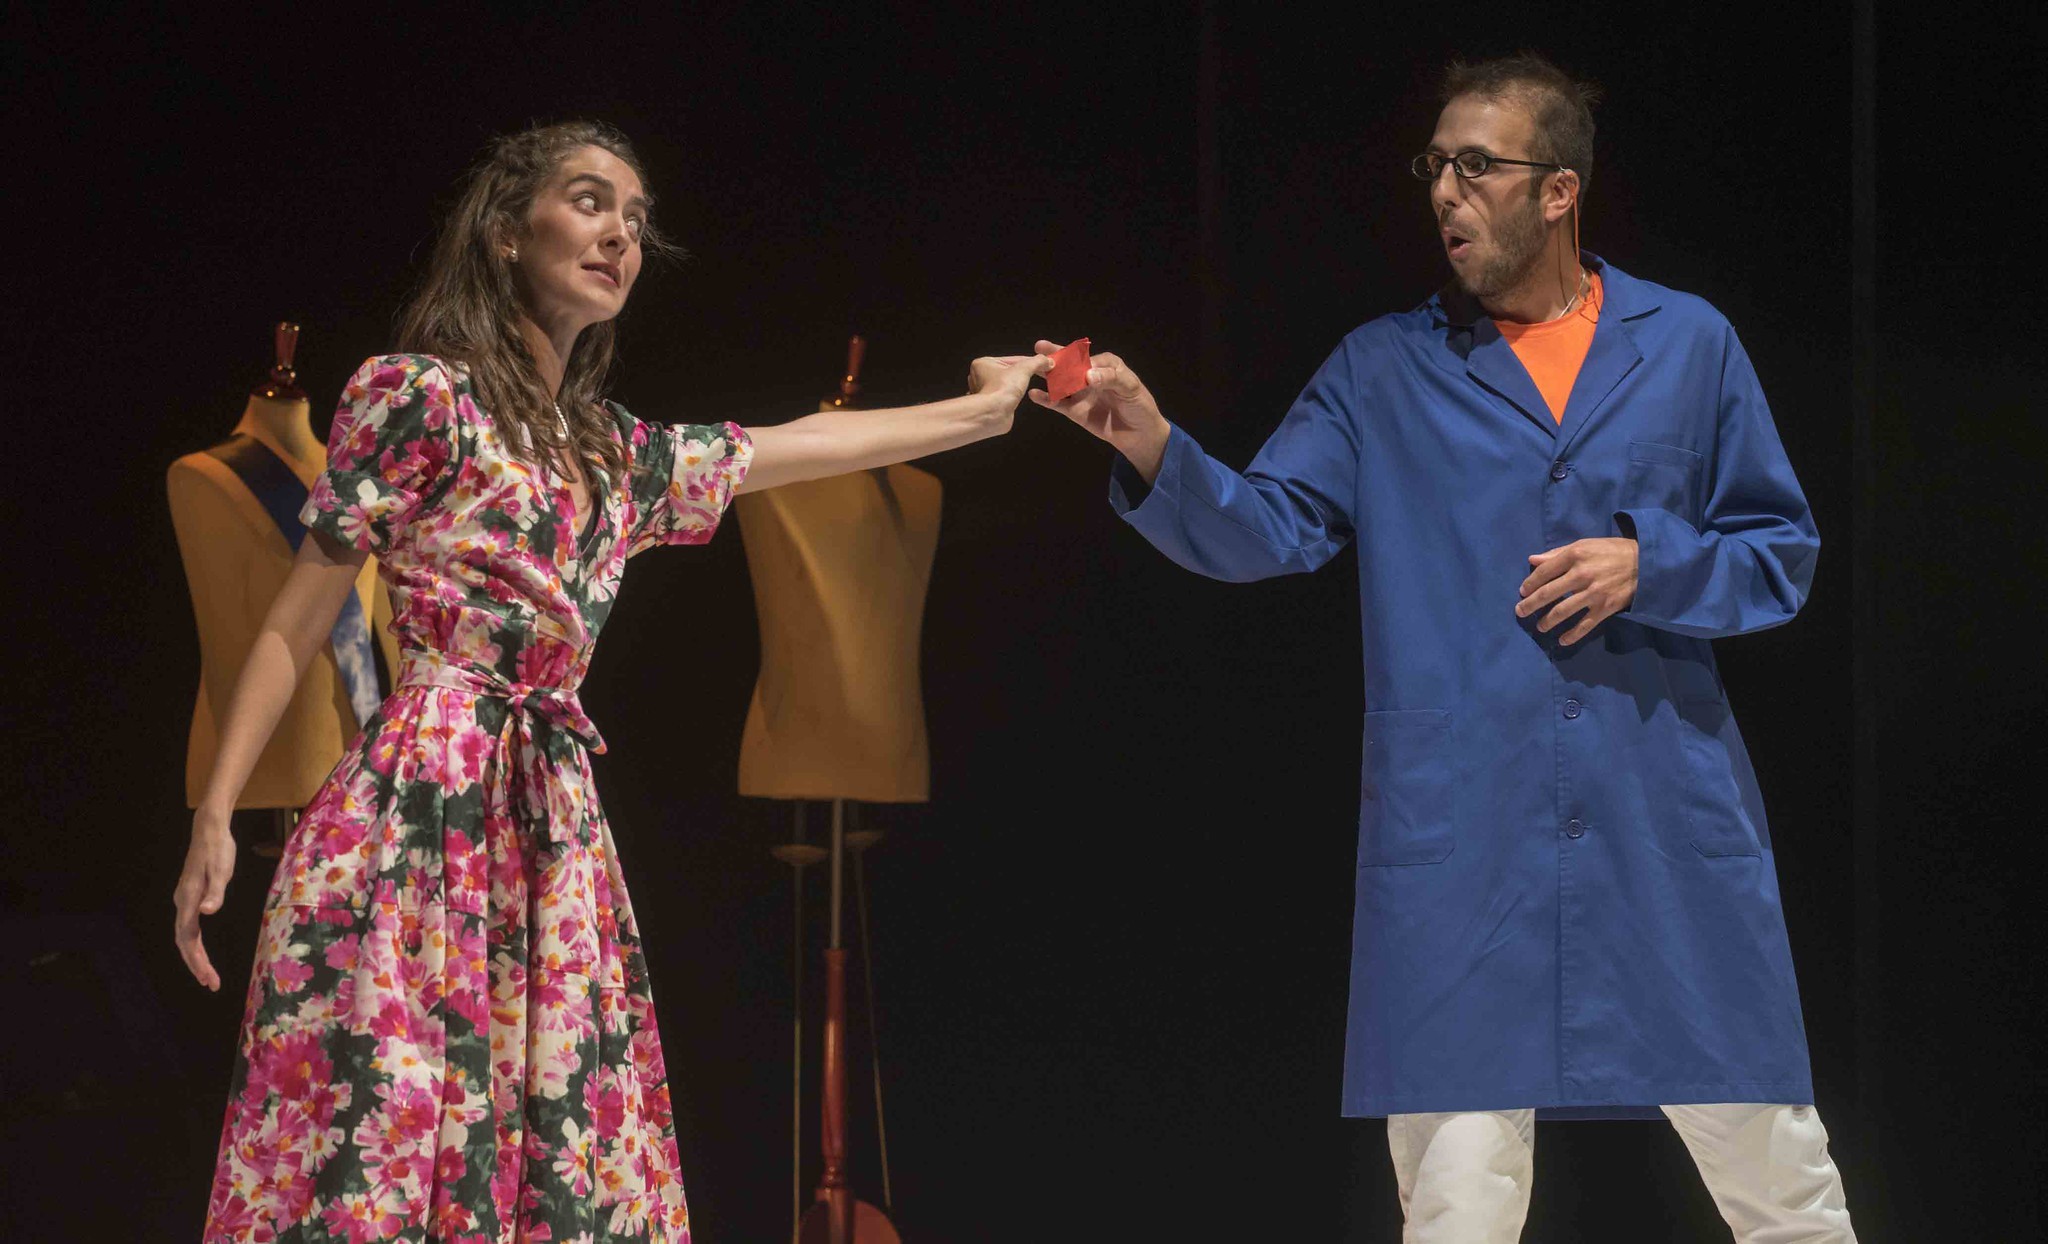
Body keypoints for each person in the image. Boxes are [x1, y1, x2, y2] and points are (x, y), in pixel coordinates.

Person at [172, 120, 1047, 1244]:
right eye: (590, 203)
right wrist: (215, 809)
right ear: (505, 230)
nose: (620, 234)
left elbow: (793, 446)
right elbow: (299, 612)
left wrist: (984, 412)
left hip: (552, 819)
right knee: (392, 1119)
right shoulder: (420, 396)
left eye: (635, 219)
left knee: (552, 1133)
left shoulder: (613, 455)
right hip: (423, 801)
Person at [1032, 54, 1856, 1243]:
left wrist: (1650, 564)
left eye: (1477, 165)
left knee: (1778, 1176)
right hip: (1466, 828)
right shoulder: (1383, 367)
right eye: (1434, 164)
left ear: (1558, 190)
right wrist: (1149, 440)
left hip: (1658, 810)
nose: (1442, 191)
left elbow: (1778, 553)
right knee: (1456, 1197)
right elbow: (1266, 526)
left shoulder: (1687, 343)